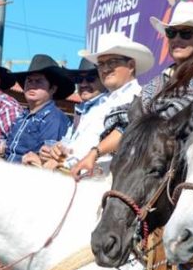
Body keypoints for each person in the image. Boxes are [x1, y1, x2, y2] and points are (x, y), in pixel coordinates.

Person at [72, 1, 193, 179]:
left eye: (185, 34)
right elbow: (132, 109)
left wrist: (141, 117)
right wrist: (95, 152)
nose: (176, 39)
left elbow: (180, 115)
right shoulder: (164, 78)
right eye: (171, 33)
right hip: (156, 166)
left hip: (188, 176)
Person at [36, 33, 148, 171]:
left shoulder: (139, 97)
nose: (105, 69)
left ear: (130, 65)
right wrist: (61, 151)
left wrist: (66, 162)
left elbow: (123, 136)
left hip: (108, 183)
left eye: (112, 62)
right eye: (100, 64)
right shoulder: (101, 103)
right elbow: (82, 144)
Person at [0, 55, 73, 163]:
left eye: (38, 81)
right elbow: (11, 147)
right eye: (29, 81)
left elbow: (46, 158)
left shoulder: (54, 119)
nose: (32, 85)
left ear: (52, 89)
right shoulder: (22, 116)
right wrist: (2, 147)